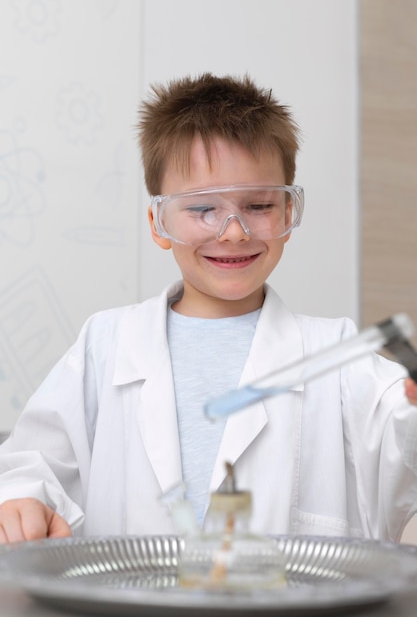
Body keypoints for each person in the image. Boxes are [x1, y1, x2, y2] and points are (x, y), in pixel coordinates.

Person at [0, 73, 416, 544]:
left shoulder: (335, 354)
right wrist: (22, 500)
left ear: (287, 215)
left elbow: (402, 442)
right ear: (159, 223)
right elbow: (32, 464)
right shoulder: (107, 344)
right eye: (203, 210)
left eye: (259, 205)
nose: (234, 232)